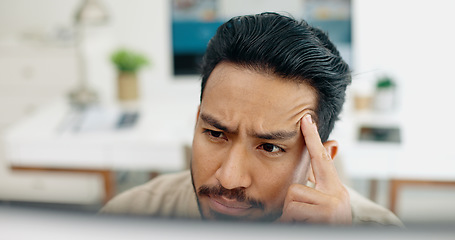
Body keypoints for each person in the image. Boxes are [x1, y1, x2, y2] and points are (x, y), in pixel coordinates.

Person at [100, 12, 402, 226]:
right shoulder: (127, 218)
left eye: (270, 147)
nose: (229, 178)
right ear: (196, 123)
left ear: (319, 160)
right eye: (215, 133)